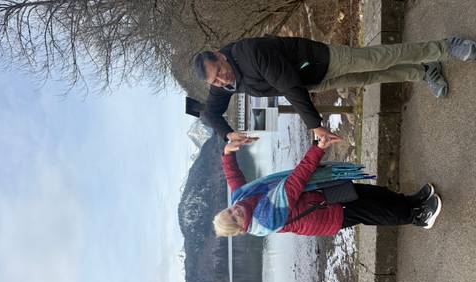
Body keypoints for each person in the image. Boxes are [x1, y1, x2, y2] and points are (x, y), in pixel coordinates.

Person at [194, 35, 476, 143]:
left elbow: (287, 84)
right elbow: (209, 113)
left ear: (220, 55)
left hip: (320, 60)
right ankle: (425, 71)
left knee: (381, 57)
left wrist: (314, 124)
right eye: (215, 82)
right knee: (370, 77)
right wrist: (228, 133)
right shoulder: (225, 85)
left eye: (219, 72)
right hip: (314, 80)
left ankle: (446, 47)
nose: (221, 81)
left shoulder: (248, 52)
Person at [212, 136, 442, 237]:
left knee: (374, 194)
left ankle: (410, 201)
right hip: (326, 213)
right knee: (375, 211)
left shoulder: (240, 198)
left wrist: (226, 154)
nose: (235, 211)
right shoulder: (264, 219)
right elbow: (293, 185)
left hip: (322, 193)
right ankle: (417, 217)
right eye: (234, 219)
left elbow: (233, 177)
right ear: (241, 229)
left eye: (229, 211)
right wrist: (317, 149)